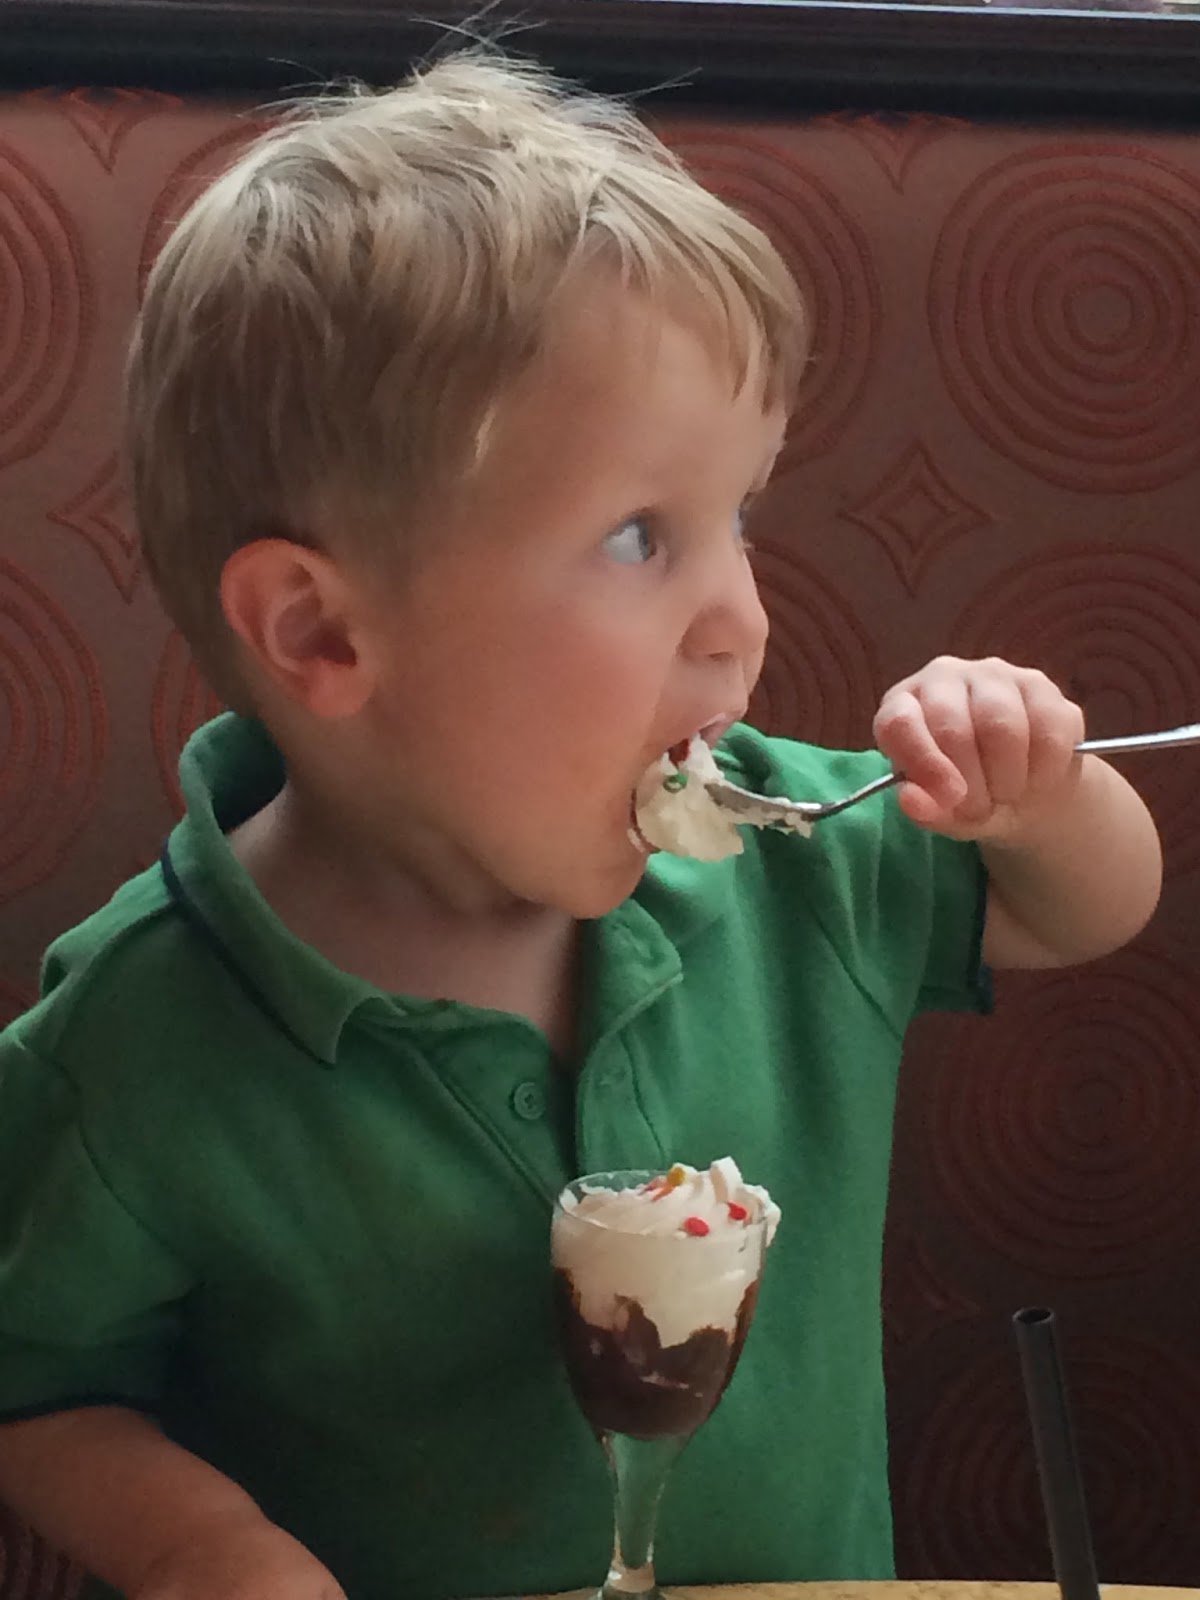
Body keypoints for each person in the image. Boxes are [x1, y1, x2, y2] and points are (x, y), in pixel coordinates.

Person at [0, 49, 1161, 1600]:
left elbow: (1091, 909)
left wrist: (1043, 791)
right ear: (323, 633)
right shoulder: (132, 1043)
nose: (740, 619)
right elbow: (35, 1383)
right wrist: (203, 1548)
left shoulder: (791, 857)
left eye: (738, 515)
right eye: (636, 538)